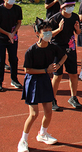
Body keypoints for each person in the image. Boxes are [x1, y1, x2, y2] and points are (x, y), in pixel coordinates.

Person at [17, 18, 67, 152]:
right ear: (38, 33)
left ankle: (43, 134)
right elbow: (27, 70)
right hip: (33, 81)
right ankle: (23, 140)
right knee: (33, 114)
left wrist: (58, 65)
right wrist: (46, 70)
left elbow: (64, 56)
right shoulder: (31, 51)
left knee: (49, 111)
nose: (48, 33)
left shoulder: (53, 47)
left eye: (50, 31)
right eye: (45, 31)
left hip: (45, 80)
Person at [49, 0, 82, 111]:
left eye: (73, 5)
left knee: (73, 74)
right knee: (57, 76)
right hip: (57, 49)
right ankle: (52, 99)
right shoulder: (55, 18)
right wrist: (59, 29)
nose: (71, 8)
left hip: (70, 48)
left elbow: (78, 32)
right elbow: (47, 35)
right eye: (69, 6)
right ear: (62, 7)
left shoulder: (75, 17)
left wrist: (78, 30)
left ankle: (73, 97)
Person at [0, 0, 23, 92]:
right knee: (0, 60)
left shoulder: (17, 9)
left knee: (13, 59)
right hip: (1, 38)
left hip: (13, 37)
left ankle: (14, 79)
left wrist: (13, 33)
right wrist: (7, 33)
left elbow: (19, 22)